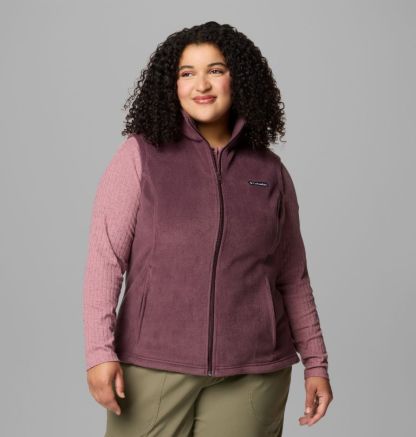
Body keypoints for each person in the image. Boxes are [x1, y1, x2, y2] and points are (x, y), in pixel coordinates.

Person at [83, 21, 334, 437]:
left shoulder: (269, 171)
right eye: (187, 73)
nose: (201, 84)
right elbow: (105, 260)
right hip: (152, 364)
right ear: (172, 84)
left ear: (240, 79)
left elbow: (293, 276)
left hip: (254, 372)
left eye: (216, 70)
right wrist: (98, 353)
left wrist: (316, 363)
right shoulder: (139, 156)